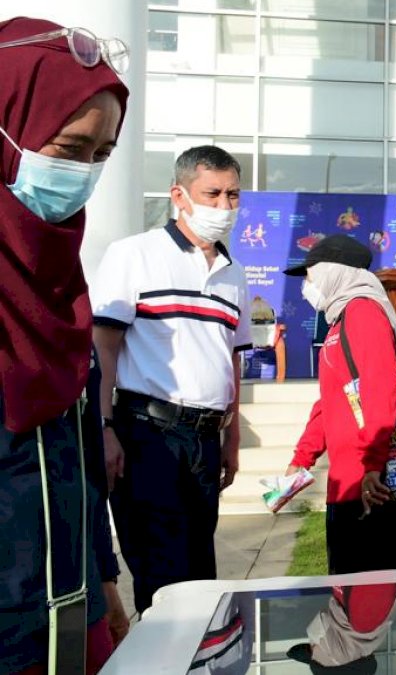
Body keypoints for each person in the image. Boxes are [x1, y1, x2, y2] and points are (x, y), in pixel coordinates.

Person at [0, 16, 129, 674]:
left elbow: (75, 461)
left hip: (70, 614)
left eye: (101, 154)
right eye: (69, 148)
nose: (83, 174)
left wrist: (104, 576)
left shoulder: (60, 289)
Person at [91, 145, 251, 615]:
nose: (224, 206)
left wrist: (231, 437)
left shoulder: (233, 274)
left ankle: (199, 651)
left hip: (205, 439)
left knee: (200, 571)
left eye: (233, 195)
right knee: (163, 576)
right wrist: (104, 426)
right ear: (179, 196)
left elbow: (231, 359)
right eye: (212, 194)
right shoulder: (135, 254)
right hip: (148, 434)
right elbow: (104, 346)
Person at [283, 235, 396, 577]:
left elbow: (381, 389)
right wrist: (302, 459)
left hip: (371, 487)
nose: (306, 285)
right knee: (347, 590)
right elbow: (330, 399)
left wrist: (372, 465)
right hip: (345, 484)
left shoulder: (364, 311)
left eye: (310, 275)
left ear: (334, 271)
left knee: (372, 595)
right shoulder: (339, 319)